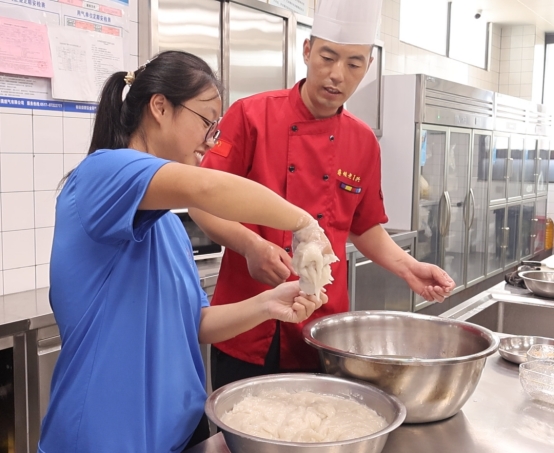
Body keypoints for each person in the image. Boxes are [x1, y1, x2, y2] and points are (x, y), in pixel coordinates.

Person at [38, 50, 331, 453]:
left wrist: (268, 304)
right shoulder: (100, 174)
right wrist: (304, 223)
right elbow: (206, 188)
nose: (211, 141)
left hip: (178, 435)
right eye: (207, 122)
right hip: (104, 437)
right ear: (159, 107)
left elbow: (195, 324)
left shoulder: (169, 228)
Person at [189, 0, 456, 391]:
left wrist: (408, 268)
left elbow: (365, 227)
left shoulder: (363, 142)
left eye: (354, 64)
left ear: (368, 66)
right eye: (327, 57)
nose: (337, 75)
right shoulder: (251, 116)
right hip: (247, 320)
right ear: (307, 50)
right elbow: (200, 199)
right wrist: (251, 246)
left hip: (321, 324)